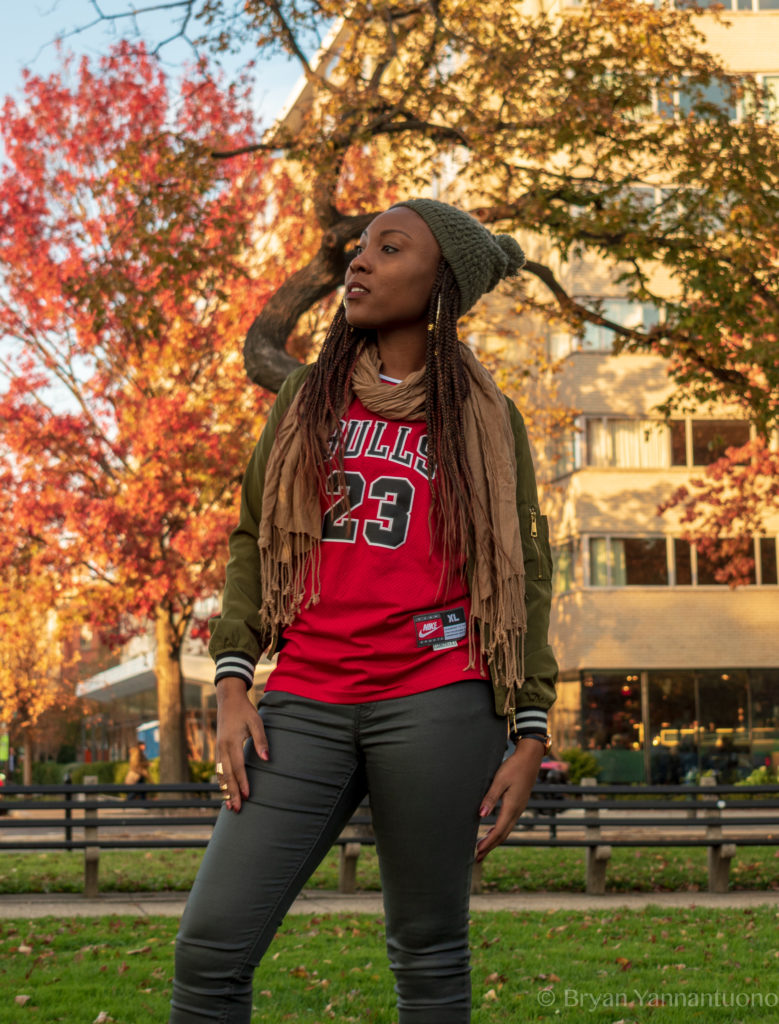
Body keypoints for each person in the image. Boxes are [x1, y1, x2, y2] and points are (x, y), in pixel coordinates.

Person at [170, 198, 558, 1024]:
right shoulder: (306, 397)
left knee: (427, 952)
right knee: (209, 947)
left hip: (438, 699)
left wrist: (530, 730)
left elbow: (524, 575)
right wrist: (233, 681)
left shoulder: (490, 421)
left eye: (390, 248)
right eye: (359, 248)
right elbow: (252, 539)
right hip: (305, 698)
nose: (359, 262)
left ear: (441, 280)